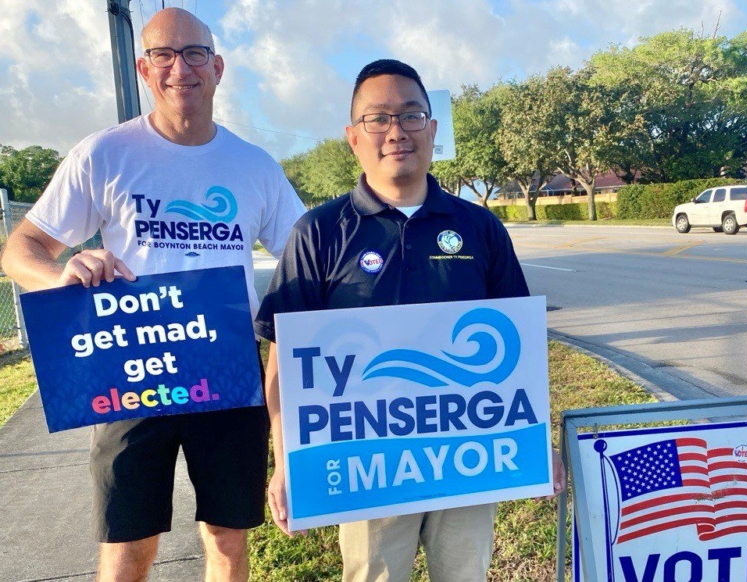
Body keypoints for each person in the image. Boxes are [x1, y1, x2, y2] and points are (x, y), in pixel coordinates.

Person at [1, 8, 305, 582]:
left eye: (193, 54)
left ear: (217, 67)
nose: (179, 68)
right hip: (132, 368)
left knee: (227, 540)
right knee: (127, 545)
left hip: (226, 369)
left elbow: (310, 254)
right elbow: (20, 248)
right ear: (144, 68)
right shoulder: (104, 155)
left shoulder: (255, 167)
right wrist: (60, 273)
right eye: (162, 55)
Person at [255, 59, 565, 582]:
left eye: (411, 115)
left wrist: (536, 441)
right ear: (353, 137)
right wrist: (285, 459)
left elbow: (520, 344)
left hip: (467, 460)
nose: (396, 131)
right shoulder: (319, 232)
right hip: (368, 467)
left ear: (433, 129)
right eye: (377, 119)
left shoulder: (480, 227)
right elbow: (285, 354)